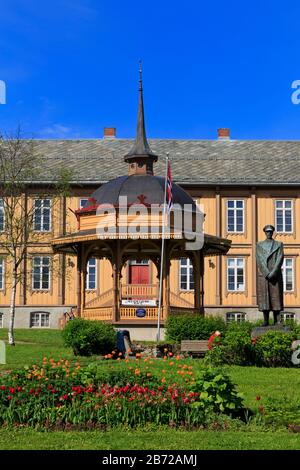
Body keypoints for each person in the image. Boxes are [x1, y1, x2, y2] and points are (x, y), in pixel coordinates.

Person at [256, 224, 284, 326]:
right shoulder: (259, 245)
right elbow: (259, 260)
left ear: (273, 233)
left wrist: (273, 272)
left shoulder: (279, 244)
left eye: (270, 232)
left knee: (276, 297)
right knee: (265, 298)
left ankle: (277, 320)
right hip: (264, 276)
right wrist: (267, 273)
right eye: (267, 231)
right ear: (265, 232)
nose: (269, 233)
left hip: (275, 275)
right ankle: (266, 321)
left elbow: (280, 258)